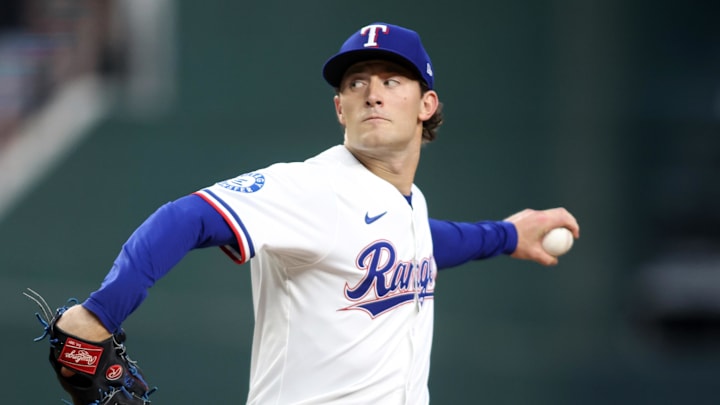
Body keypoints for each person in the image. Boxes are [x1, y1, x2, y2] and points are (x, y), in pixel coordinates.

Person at [54, 22, 580, 404]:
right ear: (339, 109)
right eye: (356, 83)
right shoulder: (310, 188)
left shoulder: (408, 205)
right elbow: (184, 218)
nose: (372, 93)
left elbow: (426, 239)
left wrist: (508, 235)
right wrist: (101, 313)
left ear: (426, 105)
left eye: (392, 81)